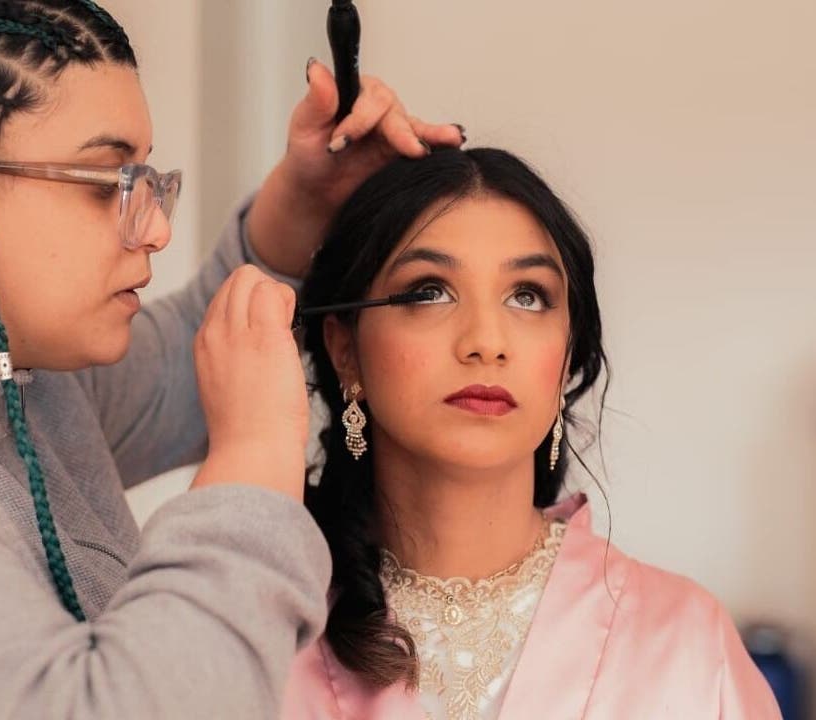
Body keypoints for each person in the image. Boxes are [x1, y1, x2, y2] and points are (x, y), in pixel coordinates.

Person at [0, 1, 465, 717]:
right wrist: (250, 468)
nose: (154, 229)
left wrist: (307, 205)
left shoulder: (22, 383)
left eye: (147, 181)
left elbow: (191, 354)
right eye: (105, 185)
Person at [282, 147, 781, 719]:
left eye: (528, 296)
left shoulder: (688, 641)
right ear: (345, 349)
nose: (486, 341)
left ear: (568, 355)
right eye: (429, 291)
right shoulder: (265, 630)